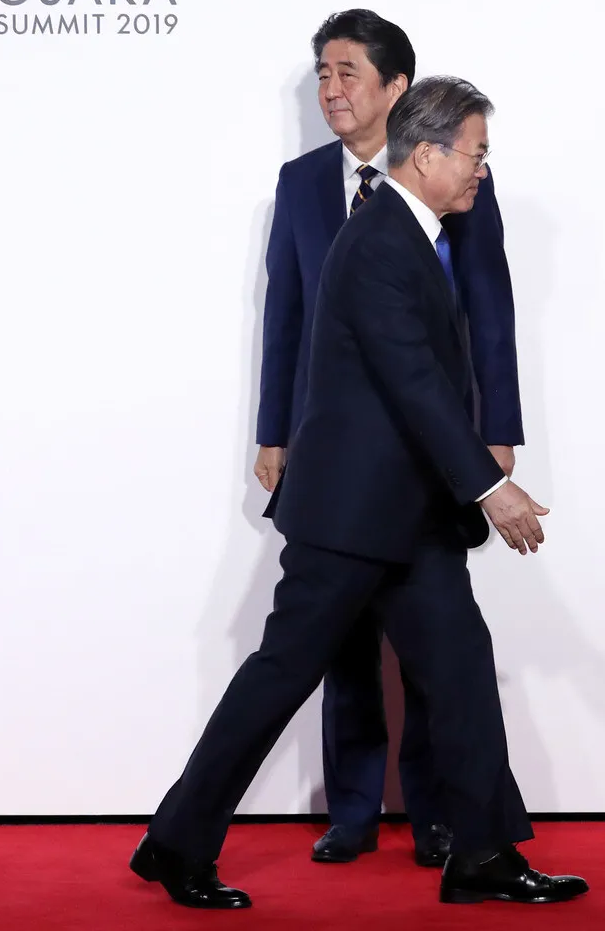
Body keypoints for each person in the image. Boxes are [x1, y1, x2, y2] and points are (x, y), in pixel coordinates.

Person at [129, 77, 588, 910]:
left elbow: (422, 385)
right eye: (476, 155)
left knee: (462, 669)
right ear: (427, 154)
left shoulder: (409, 232)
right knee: (280, 676)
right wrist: (493, 488)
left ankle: (483, 852)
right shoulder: (381, 240)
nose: (484, 171)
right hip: (348, 518)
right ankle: (175, 842)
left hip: (409, 518)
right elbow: (414, 383)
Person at [255, 9, 523, 867]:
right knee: (335, 651)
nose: (331, 89)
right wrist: (275, 431)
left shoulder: (455, 188)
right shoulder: (307, 188)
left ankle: (456, 830)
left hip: (430, 457)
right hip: (344, 459)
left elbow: (489, 313)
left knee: (448, 656)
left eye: (347, 73)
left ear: (395, 89)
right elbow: (287, 319)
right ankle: (353, 809)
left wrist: (495, 437)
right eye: (321, 75)